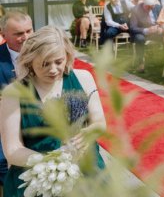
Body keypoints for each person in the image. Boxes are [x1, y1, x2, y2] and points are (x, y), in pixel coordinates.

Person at [0, 26, 106, 195]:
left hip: (86, 170)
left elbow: (100, 122)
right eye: (44, 64)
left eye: (59, 61)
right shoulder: (13, 93)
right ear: (29, 60)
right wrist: (52, 165)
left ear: (67, 56)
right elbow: (12, 150)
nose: (53, 69)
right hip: (35, 177)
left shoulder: (83, 78)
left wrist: (90, 132)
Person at [0, 10, 33, 186]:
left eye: (29, 31)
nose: (26, 37)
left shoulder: (44, 55)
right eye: (19, 33)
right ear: (3, 34)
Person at [130, 0, 163, 73]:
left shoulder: (158, 7)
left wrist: (160, 27)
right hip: (142, 32)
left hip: (156, 31)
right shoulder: (135, 10)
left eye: (152, 7)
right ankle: (140, 63)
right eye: (148, 7)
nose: (150, 9)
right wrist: (146, 30)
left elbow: (163, 21)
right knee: (139, 39)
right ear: (143, 4)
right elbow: (133, 27)